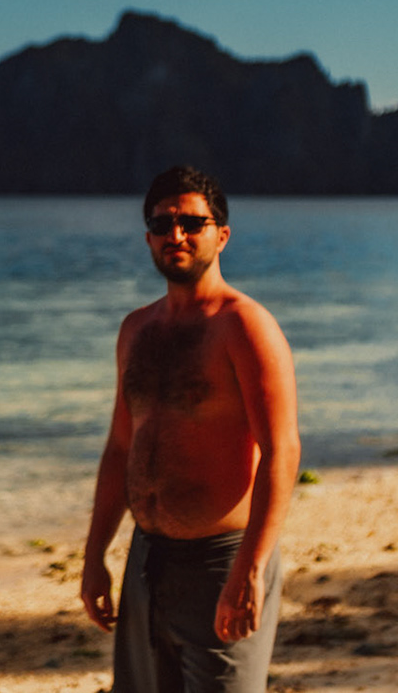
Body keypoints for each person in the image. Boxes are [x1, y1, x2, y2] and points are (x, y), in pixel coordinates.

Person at [80, 165, 300, 693]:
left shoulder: (244, 326)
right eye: (161, 223)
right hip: (147, 558)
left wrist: (249, 568)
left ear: (221, 235)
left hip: (221, 560)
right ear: (148, 237)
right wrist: (94, 556)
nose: (174, 234)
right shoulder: (137, 329)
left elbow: (282, 451)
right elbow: (120, 446)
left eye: (190, 222)